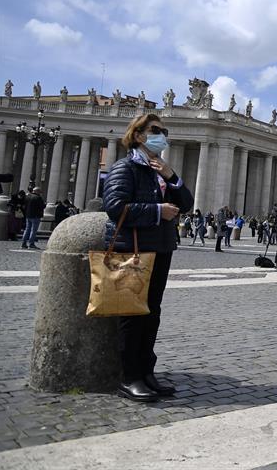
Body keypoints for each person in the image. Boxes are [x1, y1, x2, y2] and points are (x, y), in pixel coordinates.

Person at [102, 113, 194, 402]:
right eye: (155, 130)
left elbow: (187, 205)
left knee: (151, 312)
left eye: (164, 131)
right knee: (132, 314)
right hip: (133, 250)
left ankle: (146, 371)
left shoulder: (160, 171)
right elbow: (115, 207)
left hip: (160, 248)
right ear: (139, 135)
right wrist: (157, 211)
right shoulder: (124, 168)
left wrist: (173, 177)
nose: (162, 136)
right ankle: (128, 377)